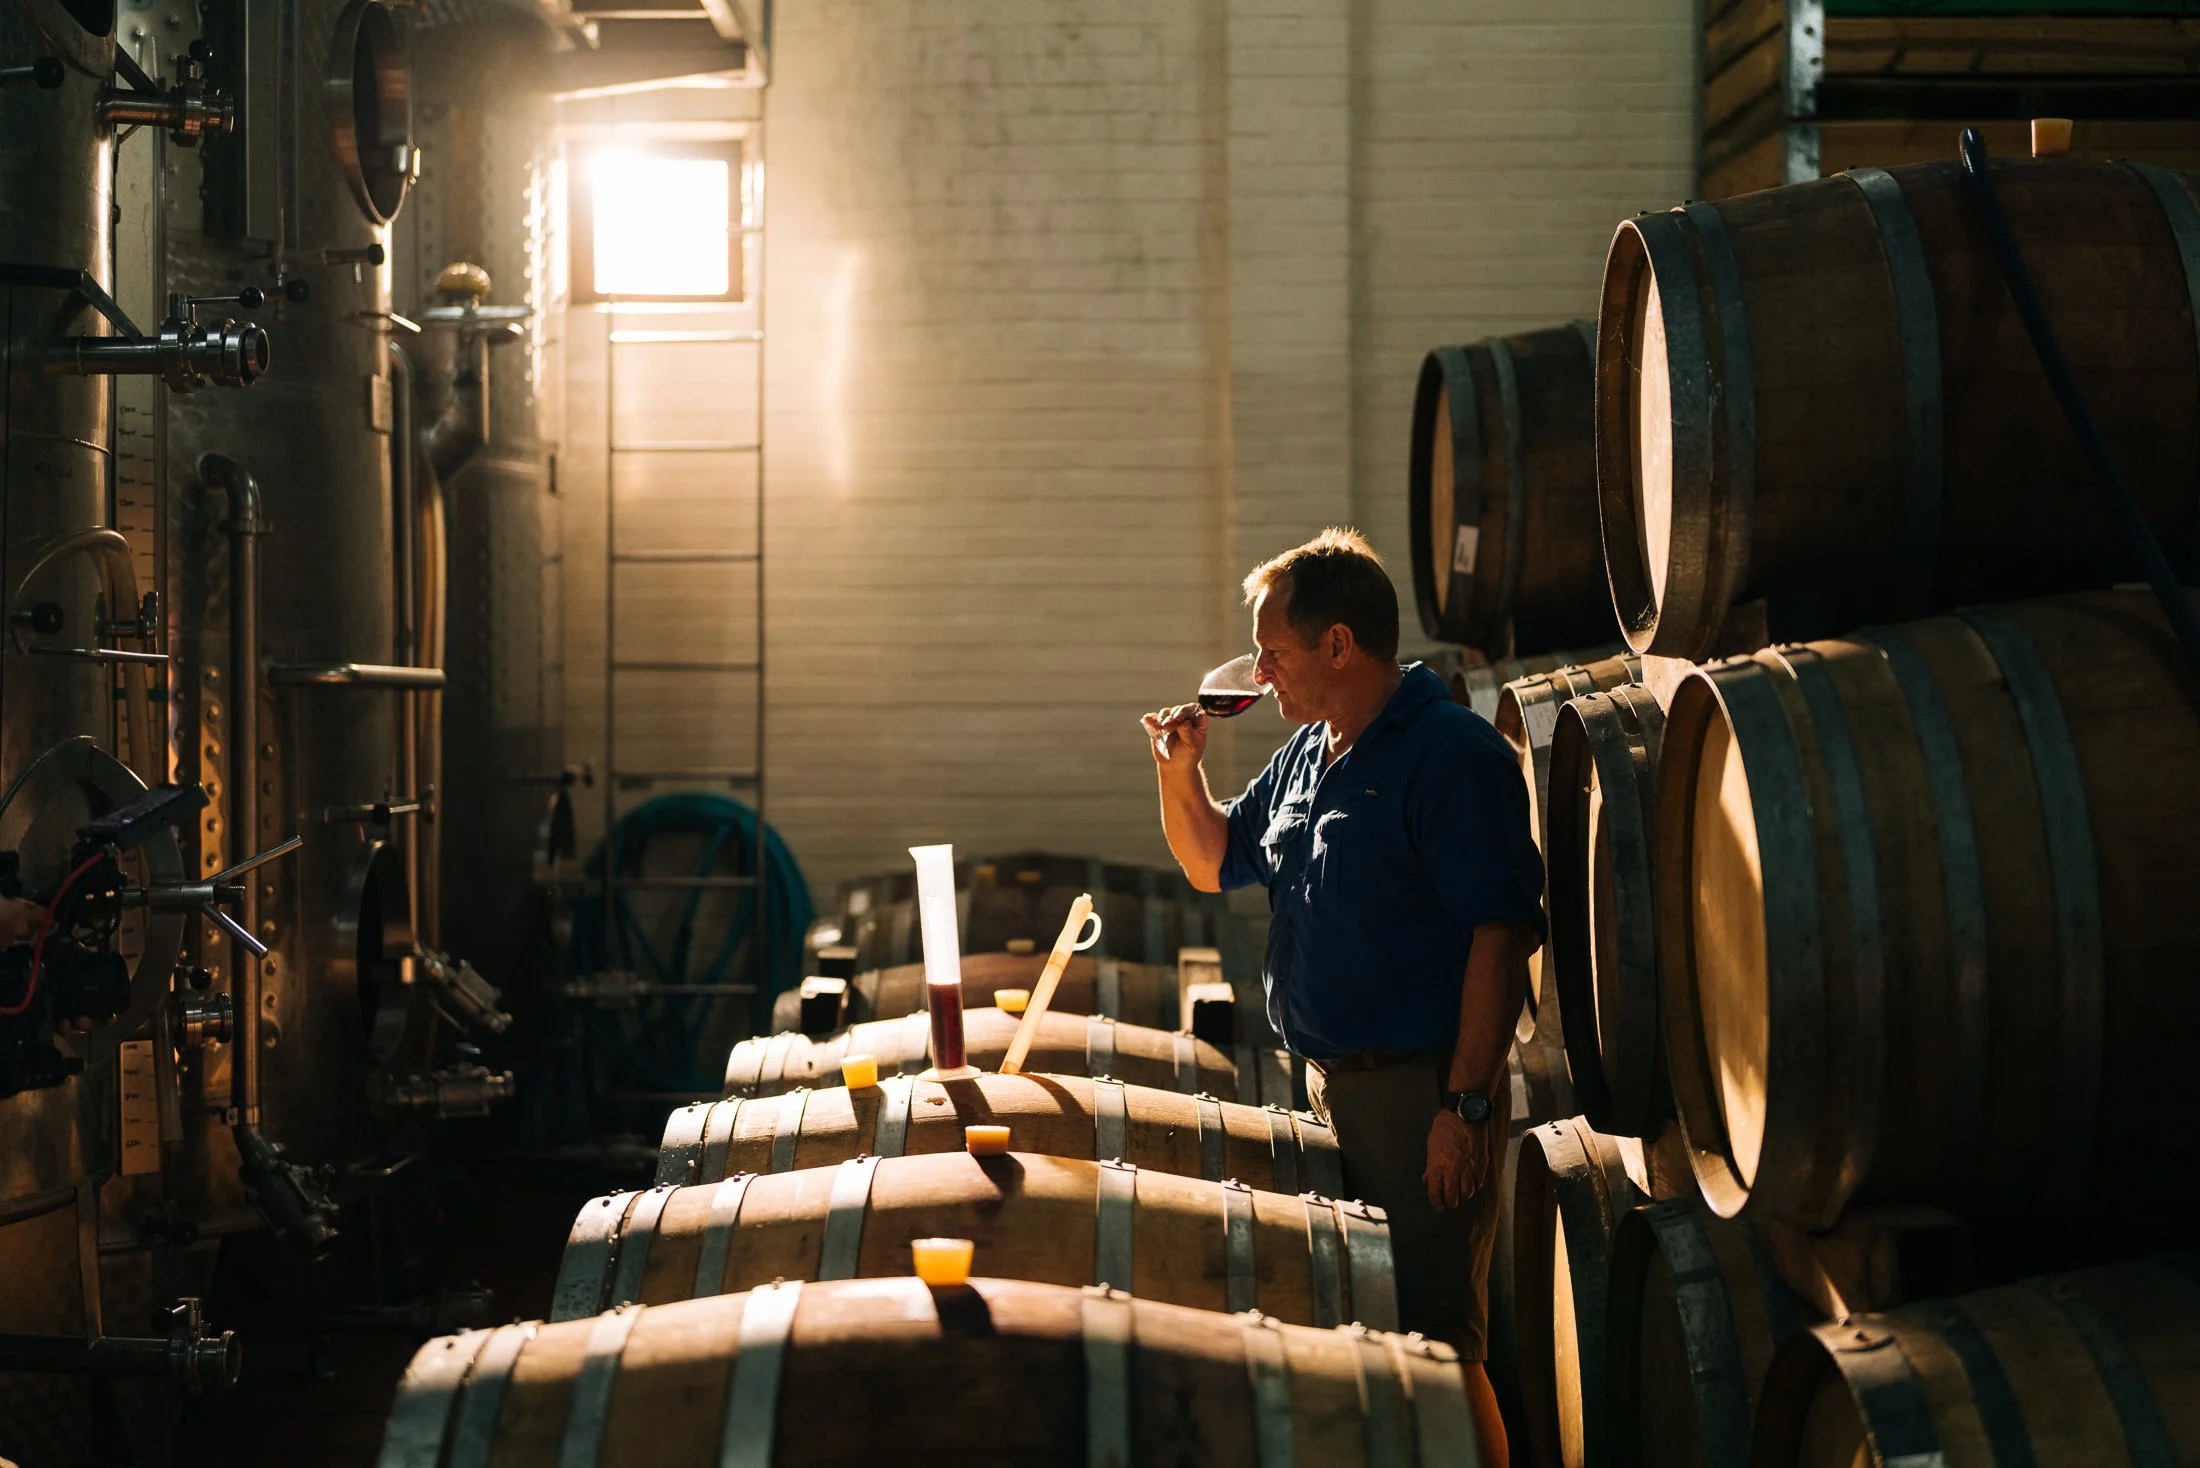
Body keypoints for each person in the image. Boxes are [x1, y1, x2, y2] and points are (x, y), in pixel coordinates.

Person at [1141, 527, 1542, 1462]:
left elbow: (1502, 930)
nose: (1262, 674)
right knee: (1365, 1344)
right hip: (1325, 1093)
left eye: (1275, 653)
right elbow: (1213, 862)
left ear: (1339, 644)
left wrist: (1466, 1103)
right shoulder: (1306, 756)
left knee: (1446, 1350)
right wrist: (1179, 774)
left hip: (1420, 1097)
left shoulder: (1451, 754)